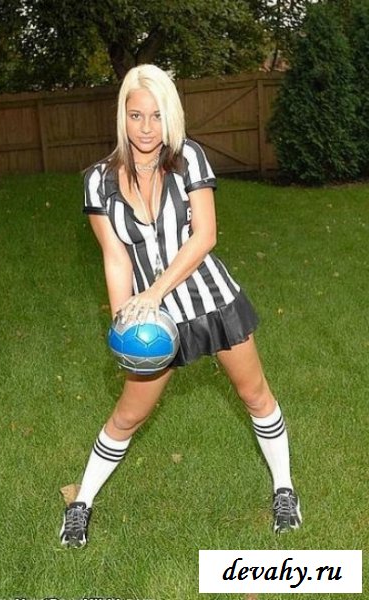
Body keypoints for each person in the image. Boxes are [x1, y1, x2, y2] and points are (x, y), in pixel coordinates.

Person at [60, 64, 301, 548]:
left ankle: (284, 490)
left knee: (256, 395)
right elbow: (115, 257)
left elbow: (205, 235)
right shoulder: (97, 182)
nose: (147, 128)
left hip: (211, 300)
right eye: (136, 116)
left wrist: (153, 292)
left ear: (170, 116)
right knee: (127, 416)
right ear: (122, 116)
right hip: (153, 325)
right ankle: (80, 504)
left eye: (157, 116)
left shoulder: (189, 157)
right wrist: (123, 319)